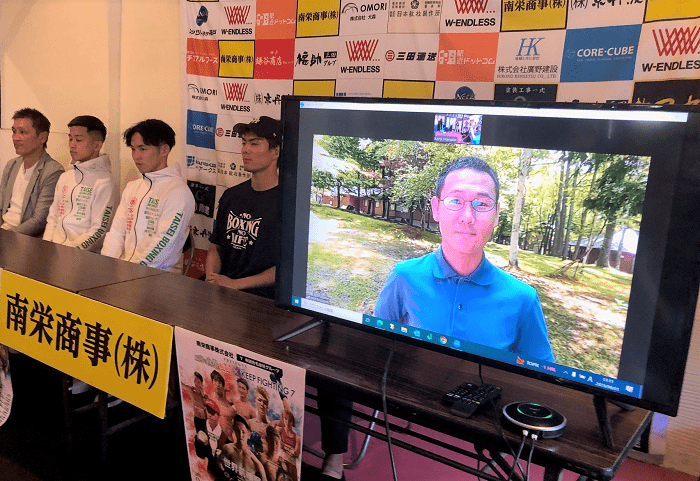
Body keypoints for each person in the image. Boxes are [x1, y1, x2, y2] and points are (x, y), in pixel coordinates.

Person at [374, 156, 554, 362]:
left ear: (496, 214)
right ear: (436, 208)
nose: (467, 216)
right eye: (455, 200)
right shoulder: (404, 277)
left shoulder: (523, 299)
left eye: (481, 203)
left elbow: (544, 376)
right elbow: (375, 349)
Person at [101, 119, 195, 272]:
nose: (136, 156)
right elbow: (116, 232)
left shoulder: (178, 192)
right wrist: (106, 266)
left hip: (158, 276)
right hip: (124, 272)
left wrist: (130, 273)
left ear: (164, 150)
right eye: (133, 149)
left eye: (143, 149)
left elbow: (164, 244)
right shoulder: (133, 187)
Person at [206, 116, 281, 299]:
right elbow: (215, 248)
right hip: (223, 291)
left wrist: (236, 285)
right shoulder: (231, 196)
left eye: (254, 144)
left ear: (275, 151)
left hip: (262, 298)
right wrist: (211, 278)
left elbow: (288, 266)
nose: (245, 149)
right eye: (244, 143)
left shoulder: (288, 203)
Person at [43, 115, 116, 251]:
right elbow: (53, 218)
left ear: (97, 145)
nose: (72, 144)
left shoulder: (104, 182)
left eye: (79, 139)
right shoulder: (65, 177)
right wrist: (46, 247)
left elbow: (99, 231)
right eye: (70, 139)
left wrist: (70, 251)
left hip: (81, 255)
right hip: (54, 250)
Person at [0, 108, 64, 236]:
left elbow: (39, 221)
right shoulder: (12, 165)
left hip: (24, 238)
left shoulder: (53, 171)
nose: (15, 138)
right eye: (14, 132)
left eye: (22, 132)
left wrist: (6, 236)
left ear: (42, 137)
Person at [217, 414, 268, 481]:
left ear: (248, 433)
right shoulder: (228, 448)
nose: (240, 435)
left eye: (243, 432)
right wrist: (226, 475)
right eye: (237, 431)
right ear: (234, 431)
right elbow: (219, 462)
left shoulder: (255, 462)